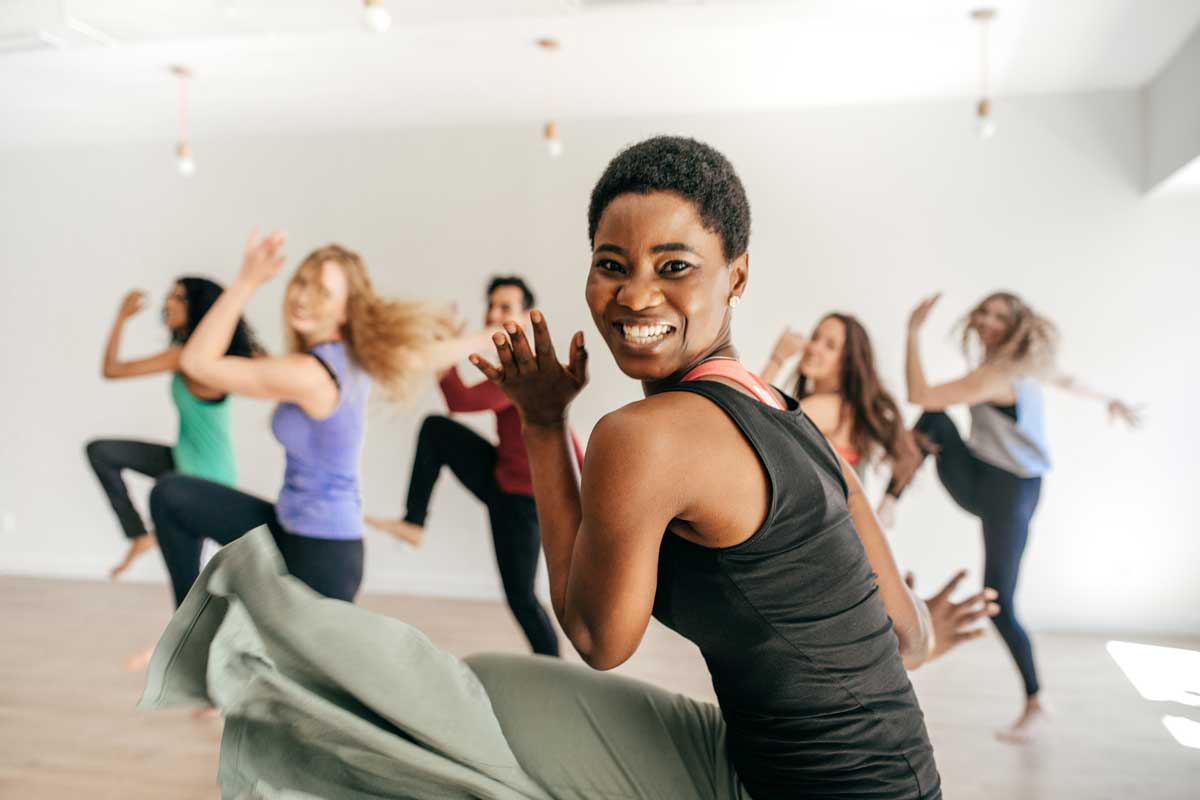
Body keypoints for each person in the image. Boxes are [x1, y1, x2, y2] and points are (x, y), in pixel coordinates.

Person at [141, 139, 996, 800]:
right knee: (488, 689)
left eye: (675, 267)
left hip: (792, 789)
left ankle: (246, 681)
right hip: (892, 779)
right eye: (611, 264)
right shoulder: (789, 413)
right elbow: (910, 634)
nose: (634, 295)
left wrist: (545, 422)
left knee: (448, 723)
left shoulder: (646, 434)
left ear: (736, 275)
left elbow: (596, 638)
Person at [880, 290, 1143, 742]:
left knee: (1000, 601)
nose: (987, 320)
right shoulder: (1016, 369)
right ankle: (889, 501)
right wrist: (1108, 399)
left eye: (1000, 316)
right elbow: (1068, 379)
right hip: (984, 477)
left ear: (1016, 326)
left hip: (1010, 492)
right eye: (984, 311)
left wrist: (912, 332)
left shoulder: (995, 375)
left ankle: (1037, 701)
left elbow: (919, 391)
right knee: (935, 420)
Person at [147, 231, 452, 606]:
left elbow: (196, 363)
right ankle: (191, 626)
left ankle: (192, 629)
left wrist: (247, 280)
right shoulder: (349, 358)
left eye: (322, 291)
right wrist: (491, 337)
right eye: (302, 282)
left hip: (320, 557)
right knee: (172, 495)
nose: (303, 296)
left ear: (346, 309)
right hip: (291, 529)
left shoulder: (310, 373)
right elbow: (431, 353)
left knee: (283, 665)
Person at [366, 275, 583, 657]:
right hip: (502, 473)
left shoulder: (525, 371)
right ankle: (413, 524)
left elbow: (461, 401)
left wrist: (442, 351)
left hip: (522, 499)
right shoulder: (514, 364)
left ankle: (555, 668)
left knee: (521, 598)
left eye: (505, 307)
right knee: (436, 431)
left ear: (527, 316)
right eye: (491, 305)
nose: (494, 313)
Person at [85, 278, 259, 578]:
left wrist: (121, 318)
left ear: (197, 308)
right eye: (170, 295)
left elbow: (112, 369)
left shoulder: (188, 357)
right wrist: (120, 318)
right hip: (183, 460)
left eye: (179, 297)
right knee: (101, 451)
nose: (168, 302)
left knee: (195, 574)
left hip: (208, 474)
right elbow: (110, 371)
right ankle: (140, 536)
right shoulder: (187, 353)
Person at [761, 314, 919, 478]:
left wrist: (777, 358)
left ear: (848, 363)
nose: (814, 347)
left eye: (830, 346)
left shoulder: (831, 408)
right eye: (815, 337)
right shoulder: (842, 408)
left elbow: (755, 429)